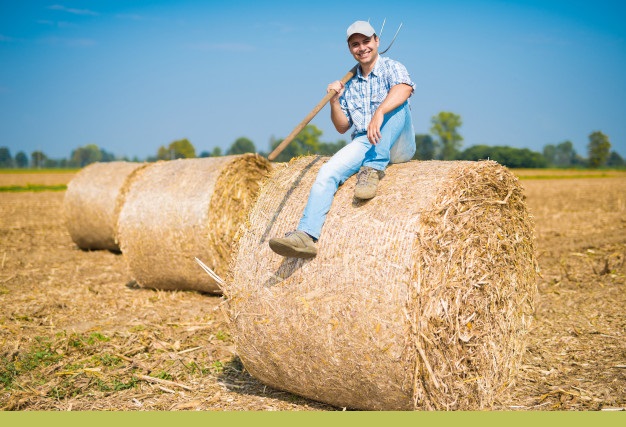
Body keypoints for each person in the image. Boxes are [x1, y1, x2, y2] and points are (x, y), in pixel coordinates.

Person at [269, 20, 416, 258]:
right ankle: (306, 235)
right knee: (327, 172)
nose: (362, 48)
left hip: (397, 141)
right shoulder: (349, 84)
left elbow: (404, 89)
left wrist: (379, 112)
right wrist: (335, 100)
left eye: (366, 41)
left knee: (397, 104)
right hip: (364, 141)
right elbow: (341, 127)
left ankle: (373, 167)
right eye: (355, 44)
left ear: (376, 41)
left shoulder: (392, 67)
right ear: (350, 49)